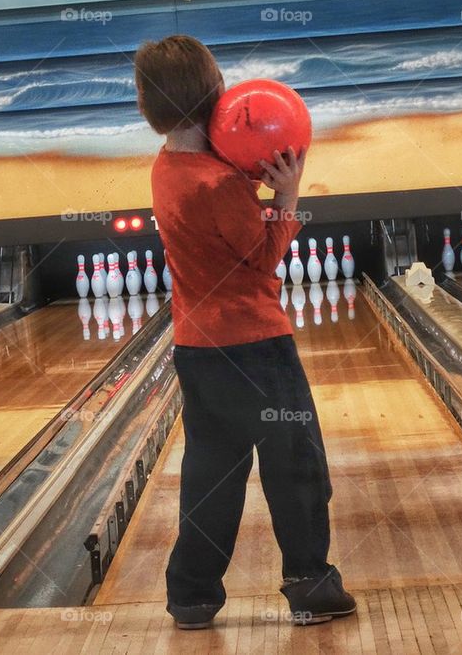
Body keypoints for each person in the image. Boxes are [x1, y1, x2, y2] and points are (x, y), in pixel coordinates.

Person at [134, 35, 355, 630]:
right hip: (256, 348)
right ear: (214, 93)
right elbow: (262, 257)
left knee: (212, 472)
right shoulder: (220, 184)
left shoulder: (167, 168)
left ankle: (192, 597)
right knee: (295, 464)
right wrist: (285, 196)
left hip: (198, 349)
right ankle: (310, 585)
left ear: (147, 108)